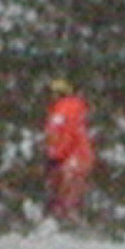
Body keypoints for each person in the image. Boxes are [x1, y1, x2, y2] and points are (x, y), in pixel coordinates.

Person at [44, 77, 95, 222]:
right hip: (67, 157)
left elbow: (68, 134)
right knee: (61, 193)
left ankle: (70, 224)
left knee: (68, 195)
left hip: (74, 157)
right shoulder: (58, 110)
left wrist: (57, 156)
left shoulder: (66, 109)